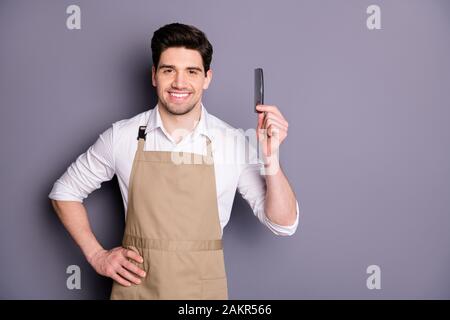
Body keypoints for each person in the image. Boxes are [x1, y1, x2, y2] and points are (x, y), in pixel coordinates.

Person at [49, 22, 299, 300]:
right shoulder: (123, 136)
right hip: (136, 292)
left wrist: (271, 157)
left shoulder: (232, 142)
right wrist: (97, 255)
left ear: (207, 78)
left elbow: (283, 223)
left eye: (192, 71)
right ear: (154, 75)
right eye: (169, 70)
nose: (180, 83)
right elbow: (64, 192)